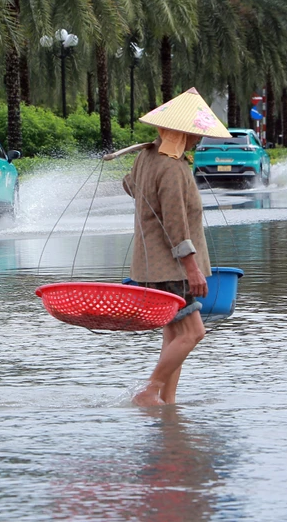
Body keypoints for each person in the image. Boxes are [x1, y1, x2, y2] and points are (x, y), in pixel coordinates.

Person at [121, 88, 230, 406]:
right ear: (181, 133)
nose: (199, 139)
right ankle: (149, 391)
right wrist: (192, 269)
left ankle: (167, 400)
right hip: (172, 268)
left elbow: (129, 186)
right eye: (195, 133)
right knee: (194, 333)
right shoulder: (170, 167)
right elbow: (175, 225)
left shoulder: (147, 157)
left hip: (152, 267)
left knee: (174, 335)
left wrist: (145, 174)